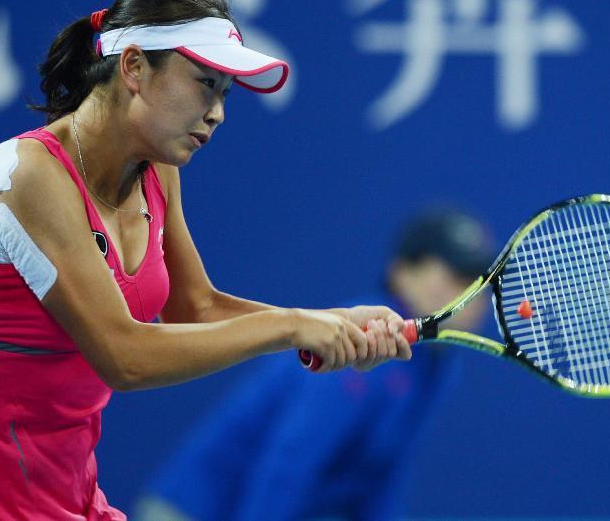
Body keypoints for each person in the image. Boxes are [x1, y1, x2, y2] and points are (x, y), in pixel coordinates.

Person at [0, 0, 411, 520]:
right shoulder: (28, 176)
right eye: (205, 83)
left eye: (224, 93)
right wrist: (292, 326)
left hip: (55, 500)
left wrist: (334, 321)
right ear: (133, 68)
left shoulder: (159, 171)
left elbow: (194, 308)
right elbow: (125, 357)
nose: (218, 112)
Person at [136, 209, 495, 521]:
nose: (468, 294)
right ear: (402, 272)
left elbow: (381, 477)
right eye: (453, 276)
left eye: (476, 281)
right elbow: (288, 465)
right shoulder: (364, 342)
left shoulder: (438, 366)